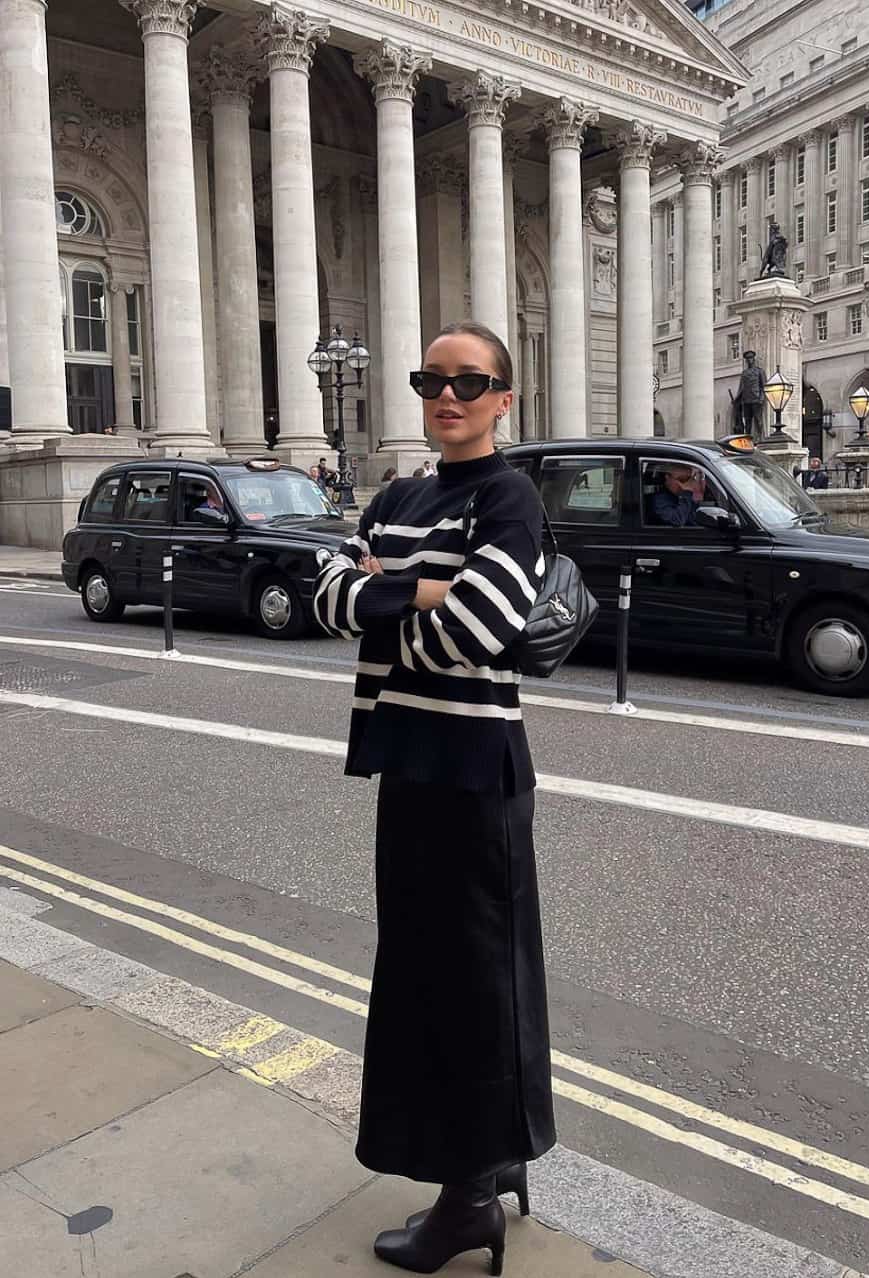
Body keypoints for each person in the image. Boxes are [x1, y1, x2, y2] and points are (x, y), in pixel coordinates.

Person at [312, 321, 555, 1276]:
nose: (446, 396)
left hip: (476, 773)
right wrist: (422, 590)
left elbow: (482, 633)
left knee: (480, 989)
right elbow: (326, 594)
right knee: (418, 984)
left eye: (470, 381)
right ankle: (472, 1176)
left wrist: (389, 589)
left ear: (504, 397)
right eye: (430, 380)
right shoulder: (400, 493)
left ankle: (471, 1201)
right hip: (406, 764)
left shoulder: (510, 497)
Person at [733, 351, 767, 439]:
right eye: (747, 359)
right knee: (747, 422)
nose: (749, 360)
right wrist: (737, 399)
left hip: (756, 399)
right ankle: (747, 439)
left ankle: (760, 438)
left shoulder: (760, 371)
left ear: (753, 359)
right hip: (746, 400)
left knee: (758, 420)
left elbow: (764, 386)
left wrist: (761, 398)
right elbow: (741, 388)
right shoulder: (744, 373)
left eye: (750, 358)